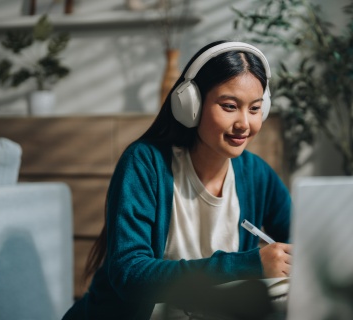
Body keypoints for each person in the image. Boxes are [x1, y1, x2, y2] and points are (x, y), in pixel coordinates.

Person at [62, 40, 292, 320]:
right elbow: (130, 275)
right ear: (191, 104)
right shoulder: (145, 163)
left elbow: (302, 241)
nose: (245, 123)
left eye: (255, 108)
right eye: (230, 106)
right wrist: (249, 265)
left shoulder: (257, 175)